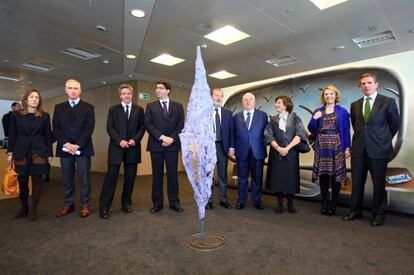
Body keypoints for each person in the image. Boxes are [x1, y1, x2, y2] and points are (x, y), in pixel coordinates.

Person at [343, 73, 399, 226]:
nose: (366, 86)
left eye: (369, 82)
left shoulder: (388, 102)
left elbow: (394, 125)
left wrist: (382, 139)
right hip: (359, 150)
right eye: (363, 83)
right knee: (357, 183)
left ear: (376, 84)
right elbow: (357, 126)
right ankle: (355, 210)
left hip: (379, 150)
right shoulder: (355, 104)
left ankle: (378, 214)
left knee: (378, 184)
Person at [99, 84, 145, 219]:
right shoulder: (113, 110)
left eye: (129, 93)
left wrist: (135, 140)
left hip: (133, 148)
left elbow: (142, 128)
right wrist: (120, 141)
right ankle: (104, 207)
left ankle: (126, 203)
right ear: (120, 95)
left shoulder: (139, 110)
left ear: (132, 94)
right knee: (110, 179)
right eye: (124, 93)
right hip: (116, 148)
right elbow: (110, 128)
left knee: (130, 179)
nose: (126, 95)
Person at [7, 90, 52, 221]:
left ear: (39, 101)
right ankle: (24, 207)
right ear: (26, 100)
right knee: (22, 181)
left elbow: (48, 136)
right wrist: (10, 152)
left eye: (37, 97)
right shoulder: (16, 115)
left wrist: (49, 153)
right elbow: (12, 135)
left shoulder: (45, 116)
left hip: (39, 152)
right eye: (31, 97)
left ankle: (33, 209)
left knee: (38, 180)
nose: (34, 99)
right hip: (21, 151)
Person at [53, 79, 95, 218]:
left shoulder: (88, 107)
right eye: (70, 88)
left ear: (80, 90)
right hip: (64, 149)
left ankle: (85, 205)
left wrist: (77, 145)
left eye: (75, 88)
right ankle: (68, 205)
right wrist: (66, 144)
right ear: (65, 90)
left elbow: (89, 128)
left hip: (83, 148)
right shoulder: (58, 107)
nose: (73, 91)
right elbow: (56, 128)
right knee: (66, 178)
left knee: (84, 178)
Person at [308, 85, 351, 216]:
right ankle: (325, 203)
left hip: (337, 145)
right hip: (322, 146)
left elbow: (346, 131)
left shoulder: (342, 111)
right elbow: (312, 129)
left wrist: (347, 147)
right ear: (323, 97)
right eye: (326, 94)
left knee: (336, 176)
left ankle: (333, 204)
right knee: (324, 175)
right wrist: (315, 118)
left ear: (335, 96)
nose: (329, 96)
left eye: (331, 94)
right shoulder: (318, 110)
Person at [145, 80, 185, 213]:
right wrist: (162, 137)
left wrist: (171, 138)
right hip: (156, 144)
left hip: (172, 146)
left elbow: (180, 125)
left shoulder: (178, 106)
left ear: (168, 91)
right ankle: (157, 203)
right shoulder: (150, 106)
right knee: (157, 175)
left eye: (161, 88)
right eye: (157, 88)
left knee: (173, 174)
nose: (158, 90)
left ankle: (174, 202)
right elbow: (148, 125)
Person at [264, 95, 307, 213]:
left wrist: (287, 148)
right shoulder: (272, 120)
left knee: (291, 178)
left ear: (286, 105)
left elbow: (300, 135)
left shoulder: (295, 118)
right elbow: (268, 135)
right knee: (277, 178)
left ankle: (290, 204)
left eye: (278, 103)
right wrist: (279, 148)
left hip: (291, 153)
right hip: (276, 154)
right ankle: (279, 204)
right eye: (276, 103)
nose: (276, 105)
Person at [231, 92, 267, 210]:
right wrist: (232, 147)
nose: (247, 101)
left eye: (250, 99)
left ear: (254, 102)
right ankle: (241, 200)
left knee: (257, 178)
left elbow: (266, 134)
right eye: (245, 100)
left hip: (258, 151)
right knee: (242, 178)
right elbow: (233, 134)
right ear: (242, 102)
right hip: (241, 151)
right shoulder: (236, 117)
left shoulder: (263, 115)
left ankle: (257, 201)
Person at [206, 88, 234, 210]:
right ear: (211, 97)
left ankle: (223, 199)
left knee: (223, 175)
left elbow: (232, 131)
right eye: (216, 95)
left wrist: (232, 146)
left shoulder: (228, 113)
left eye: (221, 96)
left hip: (223, 147)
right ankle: (209, 200)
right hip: (208, 147)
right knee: (209, 175)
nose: (218, 98)